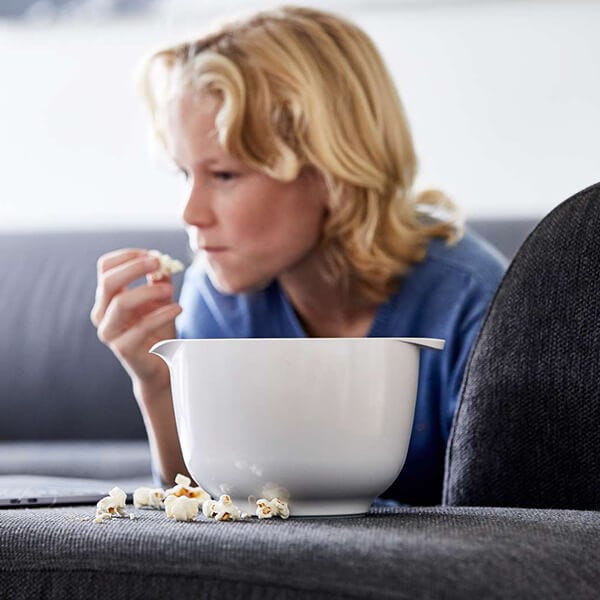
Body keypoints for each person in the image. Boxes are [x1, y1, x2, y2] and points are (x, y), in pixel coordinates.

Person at [90, 6, 507, 506]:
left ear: (331, 170)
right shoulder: (221, 297)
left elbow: (501, 526)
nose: (190, 212)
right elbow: (208, 503)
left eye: (224, 175)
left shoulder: (472, 305)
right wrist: (159, 382)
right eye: (184, 173)